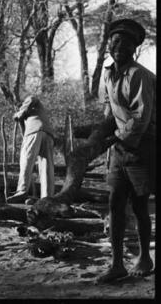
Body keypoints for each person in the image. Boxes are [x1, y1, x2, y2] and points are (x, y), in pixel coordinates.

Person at [96, 18, 156, 284]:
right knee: (114, 203)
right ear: (109, 45)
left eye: (126, 44)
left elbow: (140, 118)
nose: (120, 47)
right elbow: (110, 110)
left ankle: (145, 257)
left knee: (140, 205)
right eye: (116, 42)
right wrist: (98, 135)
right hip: (120, 148)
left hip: (142, 146)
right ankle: (117, 264)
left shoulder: (139, 75)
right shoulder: (108, 73)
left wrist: (115, 137)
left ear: (134, 49)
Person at [6, 95, 55, 204]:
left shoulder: (29, 103)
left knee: (26, 160)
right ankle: (47, 197)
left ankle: (22, 191)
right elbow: (24, 132)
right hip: (48, 134)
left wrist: (21, 112)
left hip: (35, 131)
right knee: (46, 166)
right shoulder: (36, 111)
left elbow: (33, 98)